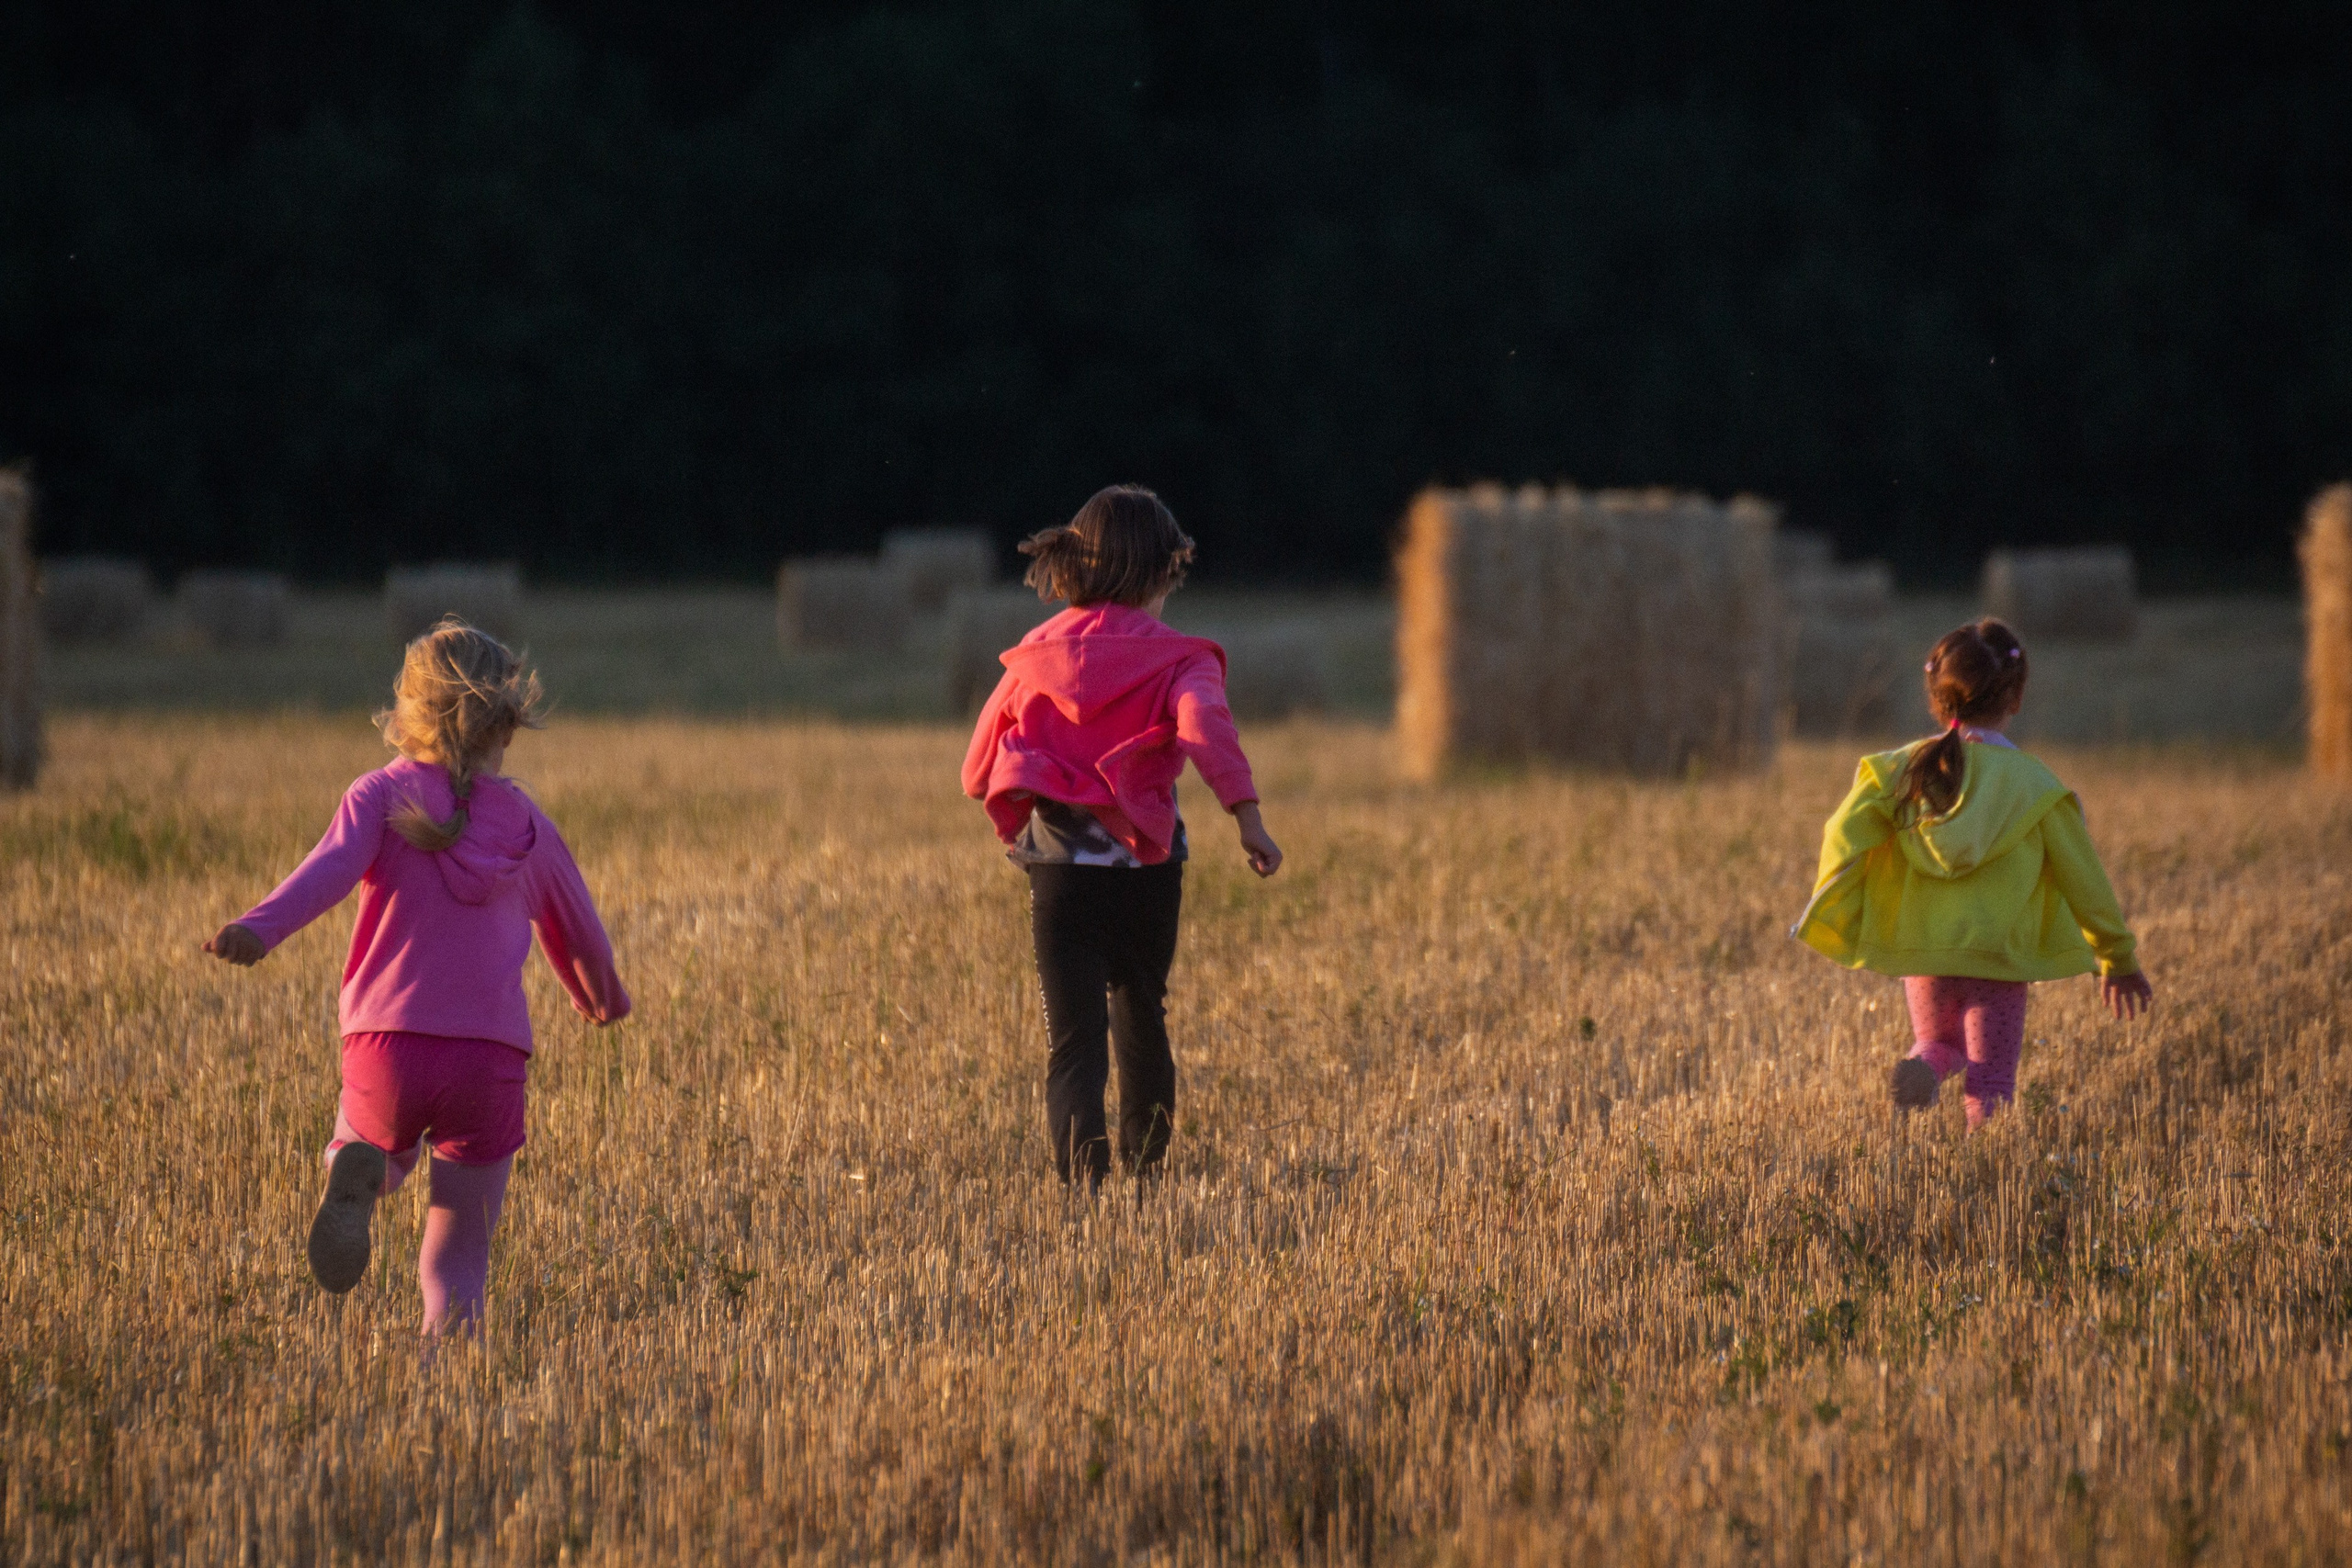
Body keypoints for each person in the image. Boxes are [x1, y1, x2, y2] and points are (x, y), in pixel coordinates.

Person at [202, 618, 628, 1334]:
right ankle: (445, 1380)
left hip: (385, 1047)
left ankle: (363, 1165)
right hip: (487, 1062)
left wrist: (259, 927)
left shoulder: (378, 796)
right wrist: (601, 998)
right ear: (506, 727)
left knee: (371, 1136)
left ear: (405, 718)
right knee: (458, 1258)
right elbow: (577, 929)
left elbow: (326, 873)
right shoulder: (528, 826)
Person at [963, 485, 1282, 1187]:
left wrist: (1011, 821)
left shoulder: (1030, 659)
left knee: (1073, 1042)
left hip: (1059, 874)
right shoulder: (1181, 658)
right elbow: (1208, 731)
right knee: (1142, 1012)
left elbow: (978, 761)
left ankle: (1083, 1189)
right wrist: (1247, 816)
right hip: (1148, 869)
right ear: (1162, 574)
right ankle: (1145, 1177)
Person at [1792, 617, 2153, 1128]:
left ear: (1937, 699)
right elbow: (2084, 878)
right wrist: (2116, 956)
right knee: (1991, 1082)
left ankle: (1924, 1066)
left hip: (1925, 953)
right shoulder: (2036, 786)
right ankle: (1986, 1166)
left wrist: (1837, 902)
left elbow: (1841, 834)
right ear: (2016, 697)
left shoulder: (1903, 770)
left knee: (1939, 1042)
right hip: (1998, 962)